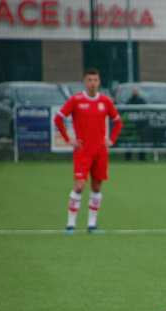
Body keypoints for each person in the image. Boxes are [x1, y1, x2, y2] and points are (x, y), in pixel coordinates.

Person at [54, 68, 122, 234]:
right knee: (79, 186)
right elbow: (58, 118)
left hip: (100, 152)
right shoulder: (76, 100)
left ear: (99, 82)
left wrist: (111, 139)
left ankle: (92, 225)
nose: (93, 83)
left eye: (95, 80)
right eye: (90, 80)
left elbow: (118, 121)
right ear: (85, 82)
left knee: (97, 187)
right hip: (83, 151)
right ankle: (70, 225)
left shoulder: (105, 101)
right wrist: (69, 139)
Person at [124, 87, 146, 162]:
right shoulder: (129, 100)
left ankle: (142, 157)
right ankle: (128, 157)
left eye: (136, 91)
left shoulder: (142, 100)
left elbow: (145, 111)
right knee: (129, 142)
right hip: (131, 125)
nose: (135, 92)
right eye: (134, 91)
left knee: (141, 141)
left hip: (140, 125)